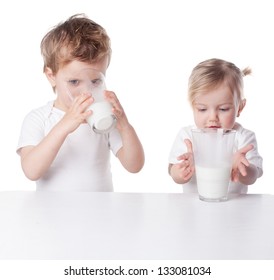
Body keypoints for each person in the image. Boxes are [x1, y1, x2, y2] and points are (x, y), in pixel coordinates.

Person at [16, 14, 145, 191]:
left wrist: (124, 125)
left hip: (100, 212)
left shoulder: (103, 117)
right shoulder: (39, 118)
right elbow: (31, 171)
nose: (86, 91)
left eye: (95, 81)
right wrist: (65, 124)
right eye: (74, 82)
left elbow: (134, 165)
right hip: (51, 215)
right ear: (51, 76)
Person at [168, 58, 263, 194]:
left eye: (223, 109)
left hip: (233, 209)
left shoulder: (243, 138)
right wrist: (184, 168)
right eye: (202, 109)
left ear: (240, 108)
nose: (213, 118)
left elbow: (254, 176)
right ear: (193, 107)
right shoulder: (187, 136)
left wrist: (243, 168)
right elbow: (173, 174)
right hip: (194, 208)